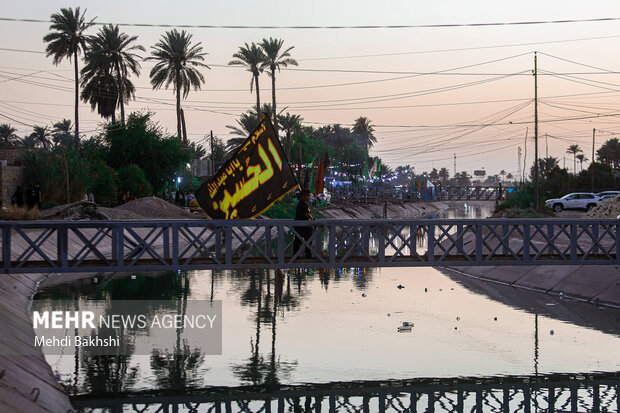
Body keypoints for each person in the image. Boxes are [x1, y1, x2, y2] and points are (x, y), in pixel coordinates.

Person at [293, 189, 314, 258]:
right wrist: (311, 217)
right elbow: (307, 215)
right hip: (301, 226)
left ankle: (296, 255)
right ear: (304, 196)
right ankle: (307, 255)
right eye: (308, 196)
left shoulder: (301, 203)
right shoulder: (303, 204)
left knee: (298, 241)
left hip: (300, 225)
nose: (309, 198)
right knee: (307, 240)